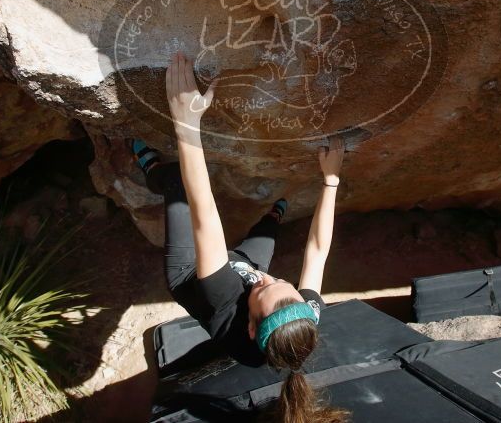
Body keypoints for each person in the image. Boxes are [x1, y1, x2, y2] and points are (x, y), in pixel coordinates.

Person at [130, 51, 348, 423]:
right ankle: (273, 216)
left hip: (192, 276)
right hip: (237, 271)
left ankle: (152, 169)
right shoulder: (301, 317)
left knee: (179, 185)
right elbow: (317, 250)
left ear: (250, 326)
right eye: (282, 282)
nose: (269, 277)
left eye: (265, 289)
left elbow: (205, 219)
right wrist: (331, 180)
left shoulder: (225, 305)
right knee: (266, 237)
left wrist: (186, 122)